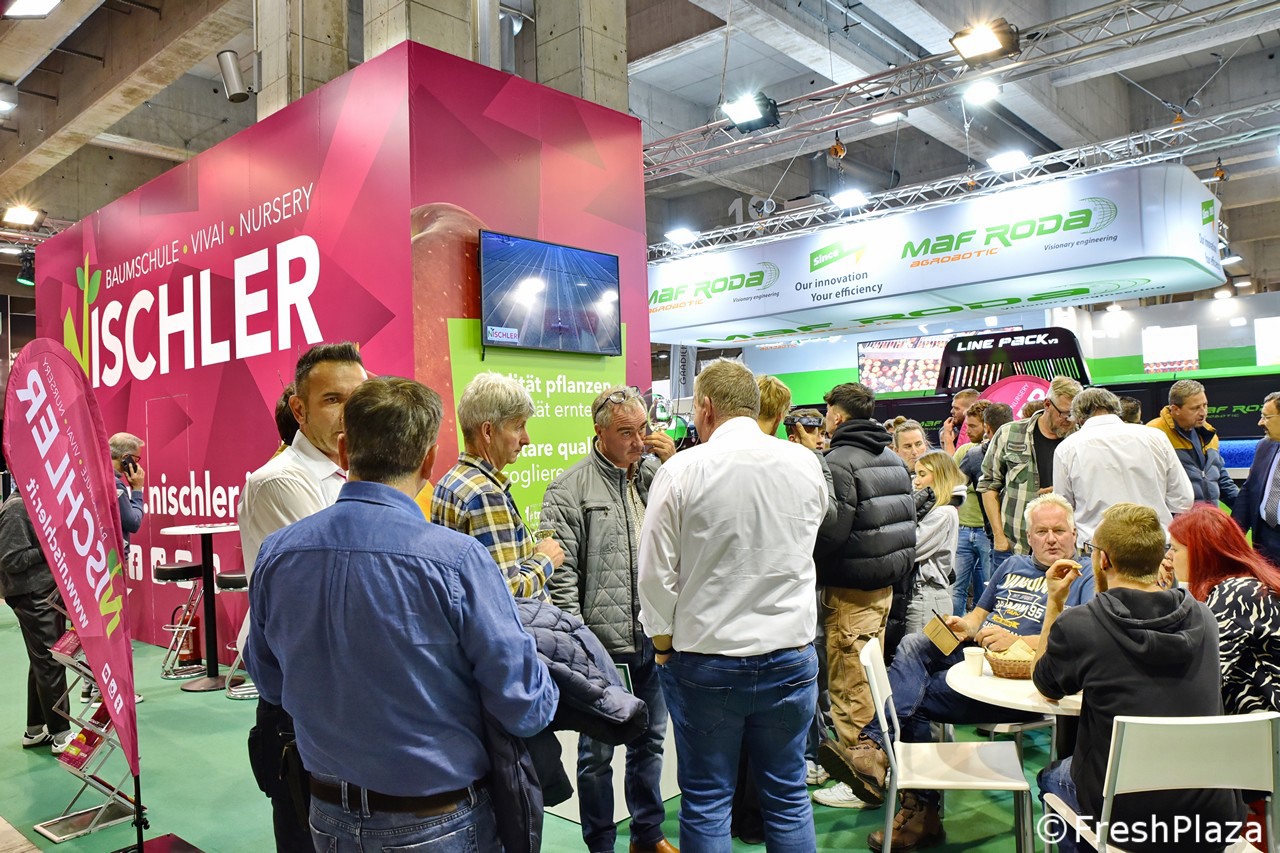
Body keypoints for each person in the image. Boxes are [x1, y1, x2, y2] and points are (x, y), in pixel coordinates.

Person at [245, 376, 559, 851]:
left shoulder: (278, 554)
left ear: (345, 450)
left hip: (326, 816)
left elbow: (270, 683)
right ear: (429, 461)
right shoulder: (458, 562)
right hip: (436, 821)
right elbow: (525, 704)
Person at [832, 494, 1095, 851]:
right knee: (914, 642)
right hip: (980, 665)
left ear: (1074, 533)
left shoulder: (1083, 575)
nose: (1051, 539)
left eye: (1059, 531)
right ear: (1029, 536)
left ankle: (909, 795)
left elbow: (1078, 639)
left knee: (914, 701)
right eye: (1042, 531)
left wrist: (1017, 640)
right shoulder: (1012, 564)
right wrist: (963, 626)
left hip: (1023, 690)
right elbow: (977, 617)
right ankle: (878, 748)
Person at [638, 358, 828, 849]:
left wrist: (663, 643)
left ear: (705, 408)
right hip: (790, 653)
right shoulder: (804, 463)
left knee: (707, 800)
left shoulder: (681, 470)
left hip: (706, 660)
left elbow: (655, 574)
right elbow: (811, 535)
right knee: (788, 796)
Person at [1034, 503, 1244, 853]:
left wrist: (1054, 604)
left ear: (1103, 559)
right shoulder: (1204, 617)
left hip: (1126, 818)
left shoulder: (1081, 625)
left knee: (1051, 777)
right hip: (1213, 816)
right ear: (1160, 558)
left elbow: (1046, 686)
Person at [239, 341, 368, 853]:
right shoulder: (281, 483)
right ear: (299, 409)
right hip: (303, 704)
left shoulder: (354, 475)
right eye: (332, 400)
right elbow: (343, 591)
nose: (348, 414)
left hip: (349, 698)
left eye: (357, 399)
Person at [540, 386, 677, 853]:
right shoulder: (569, 488)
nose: (639, 441)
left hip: (654, 638)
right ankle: (600, 843)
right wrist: (581, 646)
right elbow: (562, 579)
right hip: (601, 647)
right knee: (596, 755)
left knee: (650, 742)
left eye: (643, 429)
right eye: (626, 432)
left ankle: (647, 834)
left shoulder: (656, 475)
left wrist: (672, 465)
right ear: (599, 432)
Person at [812, 382, 916, 811]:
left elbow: (832, 532)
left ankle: (862, 778)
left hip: (850, 590)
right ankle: (871, 763)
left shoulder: (838, 461)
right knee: (871, 682)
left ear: (837, 416)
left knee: (850, 685)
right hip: (884, 587)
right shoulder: (892, 457)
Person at [432, 372, 564, 600]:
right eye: (518, 427)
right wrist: (546, 560)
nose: (526, 439)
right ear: (488, 431)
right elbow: (507, 592)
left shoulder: (448, 482)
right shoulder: (485, 495)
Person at [1170, 504, 1280, 714]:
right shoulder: (1242, 585)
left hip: (1264, 722)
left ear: (1200, 553)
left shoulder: (1236, 595)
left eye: (1174, 549)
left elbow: (1200, 674)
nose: (1168, 557)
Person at [1053, 386, 1193, 540]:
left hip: (1099, 545)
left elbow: (1063, 508)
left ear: (1079, 417)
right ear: (1116, 409)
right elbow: (1183, 500)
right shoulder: (1156, 437)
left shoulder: (1066, 448)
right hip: (1155, 541)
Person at [0, 492, 74, 754]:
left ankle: (35, 729)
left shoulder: (31, 503)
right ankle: (61, 734)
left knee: (42, 660)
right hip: (33, 595)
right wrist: (50, 548)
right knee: (51, 660)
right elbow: (11, 560)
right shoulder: (17, 508)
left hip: (40, 592)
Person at [979, 376, 1082, 563]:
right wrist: (999, 536)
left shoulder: (1082, 439)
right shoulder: (1010, 433)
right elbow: (988, 485)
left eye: (1075, 414)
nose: (1070, 420)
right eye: (1065, 413)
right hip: (1015, 547)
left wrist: (1060, 490)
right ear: (1047, 404)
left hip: (1066, 549)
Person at [1147, 379, 1239, 509]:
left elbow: (1221, 479)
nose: (1203, 412)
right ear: (1175, 409)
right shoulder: (1153, 433)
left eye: (1205, 405)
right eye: (1195, 408)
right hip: (1174, 519)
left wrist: (1245, 510)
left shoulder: (1209, 432)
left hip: (1208, 517)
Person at [906, 450, 965, 633]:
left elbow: (912, 547)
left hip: (926, 596)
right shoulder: (935, 509)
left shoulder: (943, 513)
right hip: (921, 595)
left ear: (940, 476)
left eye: (922, 474)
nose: (916, 481)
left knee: (917, 650)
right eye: (916, 474)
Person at [952, 400, 993, 617]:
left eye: (973, 426)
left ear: (987, 426)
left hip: (988, 533)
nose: (967, 431)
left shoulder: (997, 453)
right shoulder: (965, 452)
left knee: (988, 589)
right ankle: (953, 632)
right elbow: (953, 484)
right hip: (963, 529)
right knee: (956, 588)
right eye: (967, 425)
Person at [1233, 391, 1280, 565]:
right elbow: (1248, 491)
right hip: (1264, 541)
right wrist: (1233, 536)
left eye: (1266, 417)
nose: (1260, 422)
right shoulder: (1264, 446)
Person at [939, 388, 979, 455]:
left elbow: (952, 461)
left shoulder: (978, 434)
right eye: (952, 407)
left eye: (956, 408)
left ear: (970, 409)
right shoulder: (950, 430)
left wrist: (947, 437)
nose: (951, 411)